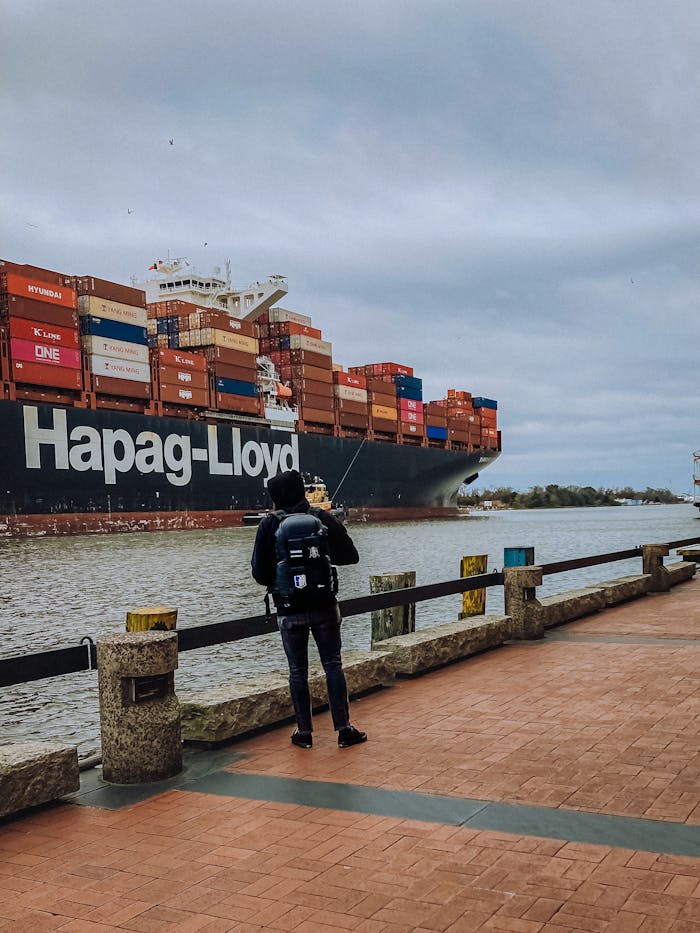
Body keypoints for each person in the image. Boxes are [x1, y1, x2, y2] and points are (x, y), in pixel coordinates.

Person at [251, 469, 367, 749]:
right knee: (333, 665)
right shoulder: (321, 518)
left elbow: (260, 574)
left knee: (297, 671)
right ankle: (344, 730)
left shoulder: (268, 524)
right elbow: (350, 556)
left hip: (289, 610)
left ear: (275, 497)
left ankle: (304, 733)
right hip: (324, 606)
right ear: (303, 491)